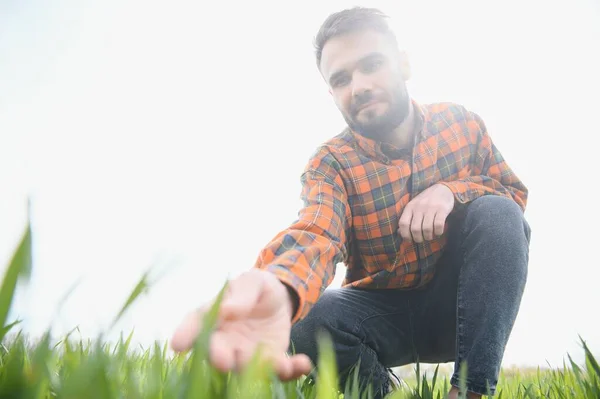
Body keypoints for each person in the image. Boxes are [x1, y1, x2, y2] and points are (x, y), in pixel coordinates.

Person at [170, 7, 531, 399]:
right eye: (341, 79)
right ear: (331, 92)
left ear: (403, 63)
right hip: (379, 317)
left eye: (371, 64)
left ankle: (471, 392)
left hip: (459, 307)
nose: (357, 86)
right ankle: (380, 392)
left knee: (497, 211)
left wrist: (451, 191)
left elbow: (512, 196)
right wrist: (282, 287)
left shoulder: (461, 123)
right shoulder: (331, 163)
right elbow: (317, 232)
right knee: (310, 316)